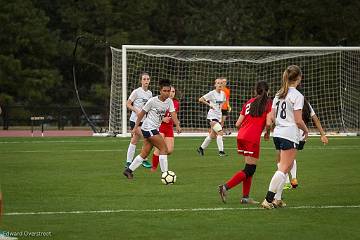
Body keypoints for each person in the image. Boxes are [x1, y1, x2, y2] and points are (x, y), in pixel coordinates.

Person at [261, 65, 309, 209]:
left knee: (285, 168)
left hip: (279, 133)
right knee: (283, 168)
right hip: (289, 134)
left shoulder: (279, 93)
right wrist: (306, 131)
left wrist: (272, 128)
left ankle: (277, 199)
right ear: (298, 78)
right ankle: (268, 200)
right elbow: (298, 120)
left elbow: (273, 116)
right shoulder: (297, 96)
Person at [218, 81, 272, 204]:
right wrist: (267, 133)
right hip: (252, 138)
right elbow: (268, 123)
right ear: (268, 91)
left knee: (249, 168)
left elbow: (237, 124)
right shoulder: (268, 103)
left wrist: (245, 130)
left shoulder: (248, 102)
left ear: (255, 91)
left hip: (242, 135)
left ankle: (245, 197)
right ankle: (225, 187)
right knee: (250, 169)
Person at [123, 79, 182, 179]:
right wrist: (135, 128)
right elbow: (141, 114)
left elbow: (173, 114)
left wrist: (177, 125)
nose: (167, 93)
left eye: (168, 91)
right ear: (160, 91)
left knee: (144, 153)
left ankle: (128, 171)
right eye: (165, 91)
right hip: (148, 128)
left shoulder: (169, 102)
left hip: (153, 129)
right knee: (164, 149)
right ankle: (165, 175)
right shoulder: (152, 101)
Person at [283, 96, 329, 189]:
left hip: (292, 133)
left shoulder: (291, 103)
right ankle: (294, 180)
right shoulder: (307, 104)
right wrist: (322, 134)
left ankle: (287, 182)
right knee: (291, 156)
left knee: (282, 158)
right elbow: (315, 119)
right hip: (302, 136)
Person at [125, 72, 153, 169]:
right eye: (144, 79)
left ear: (149, 81)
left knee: (134, 140)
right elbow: (128, 104)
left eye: (147, 79)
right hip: (134, 121)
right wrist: (136, 110)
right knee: (147, 138)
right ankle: (144, 159)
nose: (146, 81)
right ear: (141, 81)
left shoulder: (150, 94)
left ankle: (128, 162)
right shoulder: (136, 92)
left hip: (144, 121)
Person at [151, 86, 180, 172]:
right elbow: (155, 113)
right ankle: (154, 168)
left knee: (169, 150)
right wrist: (163, 119)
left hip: (169, 128)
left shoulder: (176, 103)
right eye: (170, 91)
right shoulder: (161, 101)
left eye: (173, 92)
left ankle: (161, 160)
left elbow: (174, 115)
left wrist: (177, 124)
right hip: (160, 127)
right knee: (159, 148)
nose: (171, 93)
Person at [197, 78, 227, 157]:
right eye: (218, 83)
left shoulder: (223, 93)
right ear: (215, 85)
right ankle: (221, 152)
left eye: (221, 83)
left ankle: (201, 148)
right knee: (220, 132)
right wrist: (209, 105)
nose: (220, 84)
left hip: (218, 116)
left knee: (212, 135)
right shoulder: (211, 93)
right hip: (212, 116)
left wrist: (220, 105)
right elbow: (201, 99)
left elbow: (224, 101)